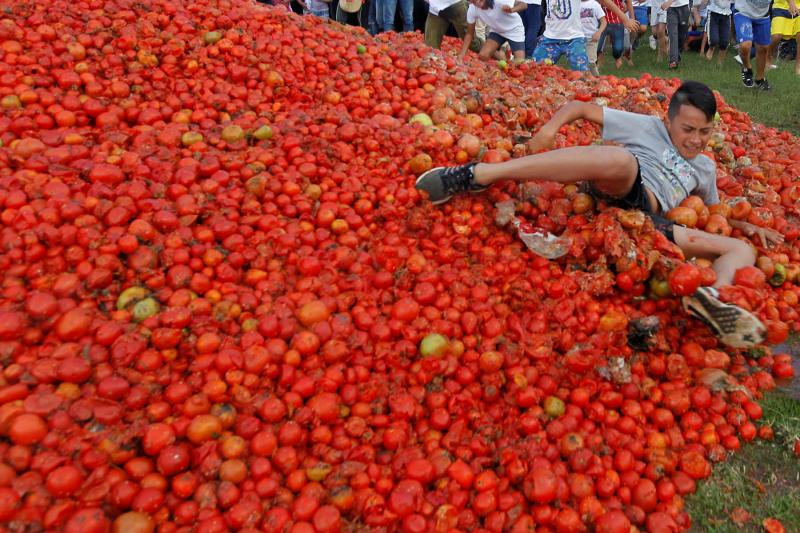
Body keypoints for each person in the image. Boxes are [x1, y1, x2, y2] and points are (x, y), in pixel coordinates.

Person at [415, 81, 784, 348]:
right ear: (669, 121)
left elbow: (712, 210)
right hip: (623, 187)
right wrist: (548, 129)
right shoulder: (648, 126)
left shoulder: (704, 167)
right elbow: (579, 107)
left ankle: (711, 300)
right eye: (687, 129)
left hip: (653, 224)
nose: (695, 139)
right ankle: (478, 175)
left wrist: (744, 224)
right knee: (622, 159)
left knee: (742, 251)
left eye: (704, 132)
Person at [532, 0, 638, 71]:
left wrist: (624, 19)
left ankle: (583, 102)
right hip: (550, 38)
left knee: (582, 76)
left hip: (574, 39)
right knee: (534, 70)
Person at [459, 0, 528, 62]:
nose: (477, 2)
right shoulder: (472, 9)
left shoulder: (499, 1)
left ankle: (504, 53)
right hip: (497, 31)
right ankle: (502, 58)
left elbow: (524, 5)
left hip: (514, 30)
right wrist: (461, 55)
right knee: (483, 56)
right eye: (473, 1)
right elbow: (469, 34)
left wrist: (512, 10)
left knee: (520, 62)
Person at [734, 0, 772, 89]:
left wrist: (791, 4)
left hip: (763, 15)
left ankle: (760, 79)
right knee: (745, 45)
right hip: (743, 12)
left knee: (763, 48)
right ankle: (747, 68)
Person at [598, 0, 636, 68]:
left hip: (617, 22)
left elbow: (628, 2)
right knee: (597, 45)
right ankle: (597, 62)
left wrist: (632, 19)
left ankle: (619, 58)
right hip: (602, 21)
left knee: (618, 48)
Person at [769, 0, 800, 75]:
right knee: (776, 36)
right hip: (780, 6)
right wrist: (791, 2)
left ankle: (798, 67)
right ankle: (767, 59)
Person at [661, 0, 691, 68]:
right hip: (671, 9)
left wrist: (669, 1)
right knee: (673, 35)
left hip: (684, 6)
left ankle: (677, 55)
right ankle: (673, 60)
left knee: (682, 37)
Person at [581, 0, 608, 73]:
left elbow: (604, 22)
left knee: (591, 63)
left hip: (591, 38)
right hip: (578, 38)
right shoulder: (575, 4)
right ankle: (582, 80)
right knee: (579, 62)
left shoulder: (595, 4)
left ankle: (596, 80)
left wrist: (598, 32)